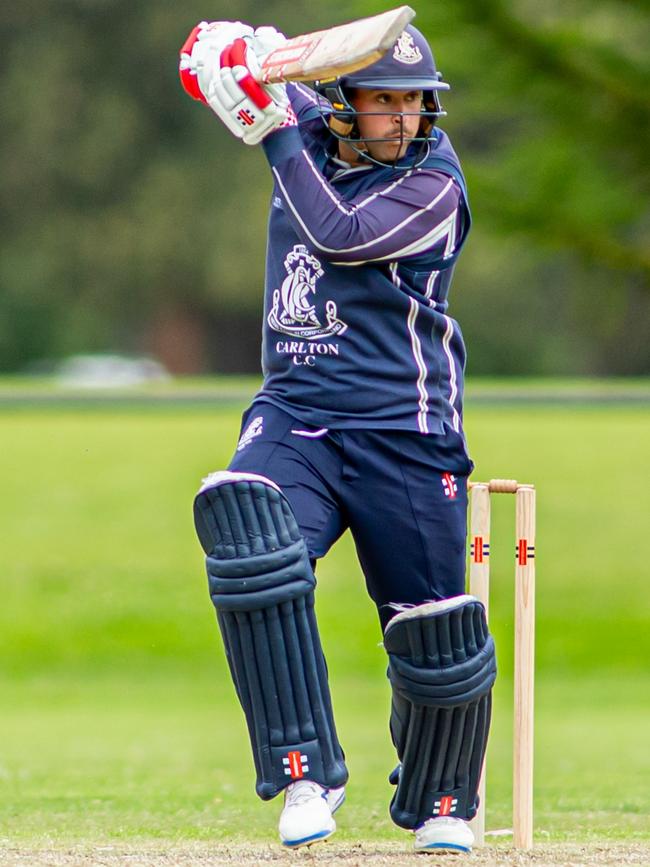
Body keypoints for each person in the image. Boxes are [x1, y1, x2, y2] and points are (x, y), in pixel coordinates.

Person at [181, 19, 496, 855]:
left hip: (408, 431)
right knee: (249, 534)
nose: (401, 118)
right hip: (298, 414)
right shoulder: (309, 128)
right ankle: (303, 772)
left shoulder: (435, 184)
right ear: (345, 105)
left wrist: (278, 133)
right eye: (382, 101)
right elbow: (217, 73)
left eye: (414, 103)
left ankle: (443, 799)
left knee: (434, 631)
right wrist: (232, 54)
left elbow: (339, 234)